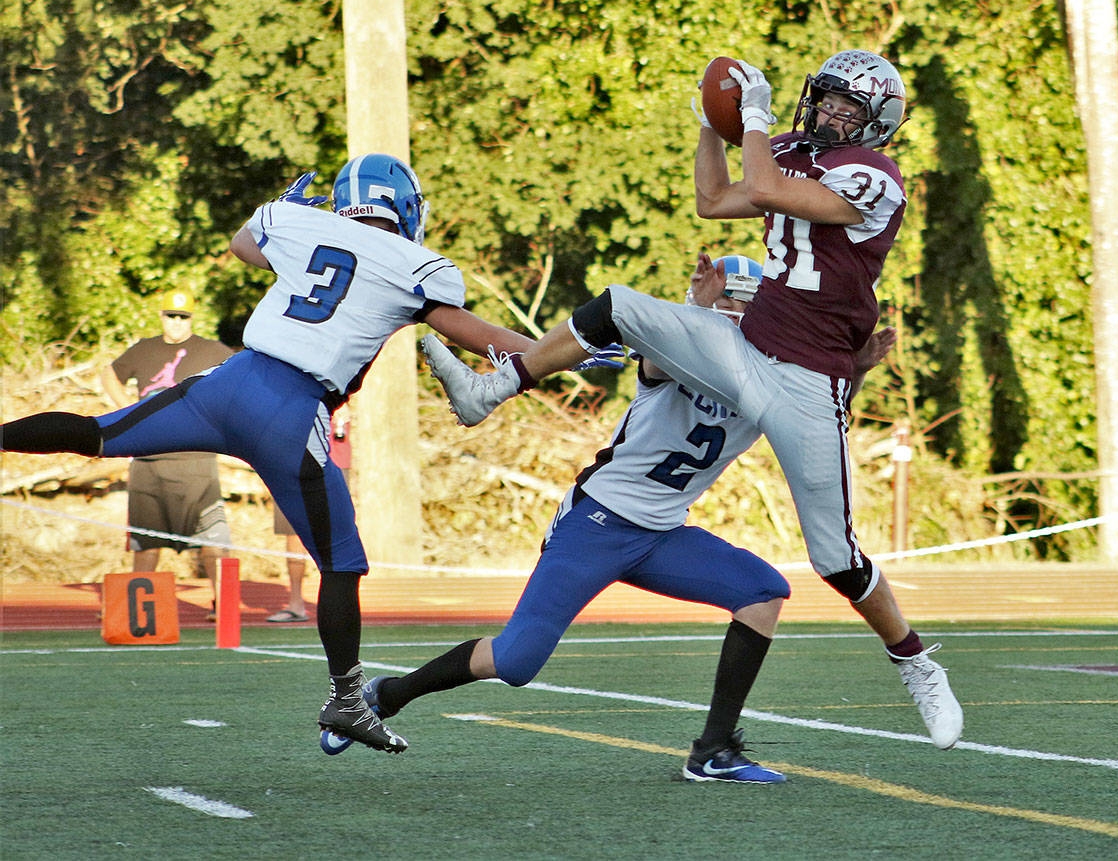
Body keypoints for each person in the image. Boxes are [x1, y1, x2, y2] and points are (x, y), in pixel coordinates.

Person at [421, 50, 964, 750]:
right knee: (617, 304)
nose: (828, 114)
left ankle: (913, 660)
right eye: (824, 99)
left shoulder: (876, 177)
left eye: (846, 108)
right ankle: (498, 383)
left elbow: (766, 191)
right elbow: (714, 200)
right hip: (748, 348)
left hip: (807, 378)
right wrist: (712, 122)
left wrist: (756, 120)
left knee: (835, 556)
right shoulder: (793, 148)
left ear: (877, 123)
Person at [1, 154, 536, 754]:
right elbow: (473, 332)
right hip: (291, 407)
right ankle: (347, 700)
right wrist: (553, 351)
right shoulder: (416, 264)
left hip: (227, 384)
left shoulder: (300, 224)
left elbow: (244, 244)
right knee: (341, 564)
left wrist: (288, 213)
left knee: (99, 432)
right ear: (406, 206)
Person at [329, 253, 896, 782]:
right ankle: (390, 693)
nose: (741, 321)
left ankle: (714, 750)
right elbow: (655, 352)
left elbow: (824, 423)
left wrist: (859, 370)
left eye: (747, 310)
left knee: (762, 590)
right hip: (598, 522)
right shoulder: (681, 348)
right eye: (735, 307)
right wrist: (698, 304)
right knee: (518, 659)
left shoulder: (773, 379)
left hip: (662, 532)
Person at [101, 290, 234, 620]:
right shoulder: (144, 348)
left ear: (192, 317)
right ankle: (139, 613)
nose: (176, 322)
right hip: (150, 463)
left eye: (183, 316)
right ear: (161, 316)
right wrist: (127, 411)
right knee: (146, 543)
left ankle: (225, 606)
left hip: (197, 463)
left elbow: (241, 378)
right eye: (171, 316)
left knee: (215, 542)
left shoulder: (212, 350)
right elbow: (109, 374)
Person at [265, 406, 350, 624]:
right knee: (293, 535)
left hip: (332, 460)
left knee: (336, 536)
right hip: (291, 462)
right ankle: (296, 604)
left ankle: (342, 606)